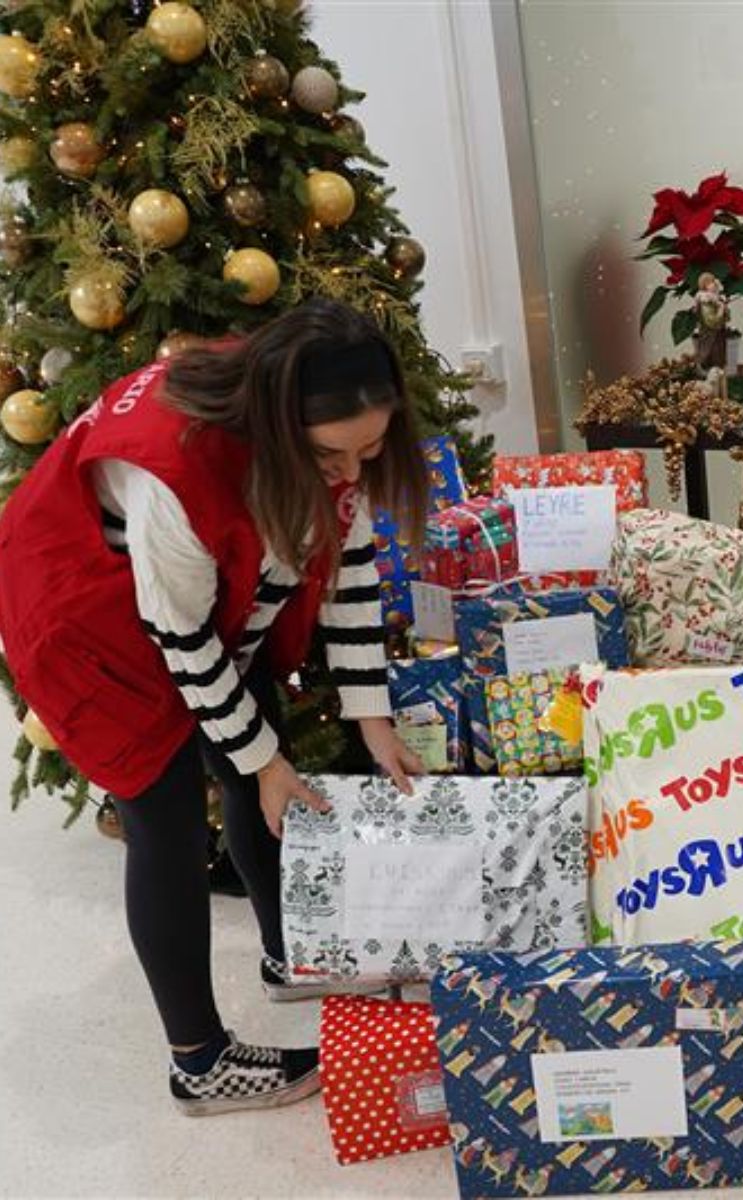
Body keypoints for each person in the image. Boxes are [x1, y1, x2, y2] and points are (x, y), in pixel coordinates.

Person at [0, 299, 428, 1116]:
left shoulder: (317, 409)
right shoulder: (177, 468)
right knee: (163, 815)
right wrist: (262, 760)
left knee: (252, 733)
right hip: (82, 609)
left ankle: (289, 954)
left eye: (372, 449)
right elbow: (184, 638)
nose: (353, 471)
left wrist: (373, 721)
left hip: (188, 591)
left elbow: (354, 565)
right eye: (334, 455)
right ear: (279, 430)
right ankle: (200, 1061)